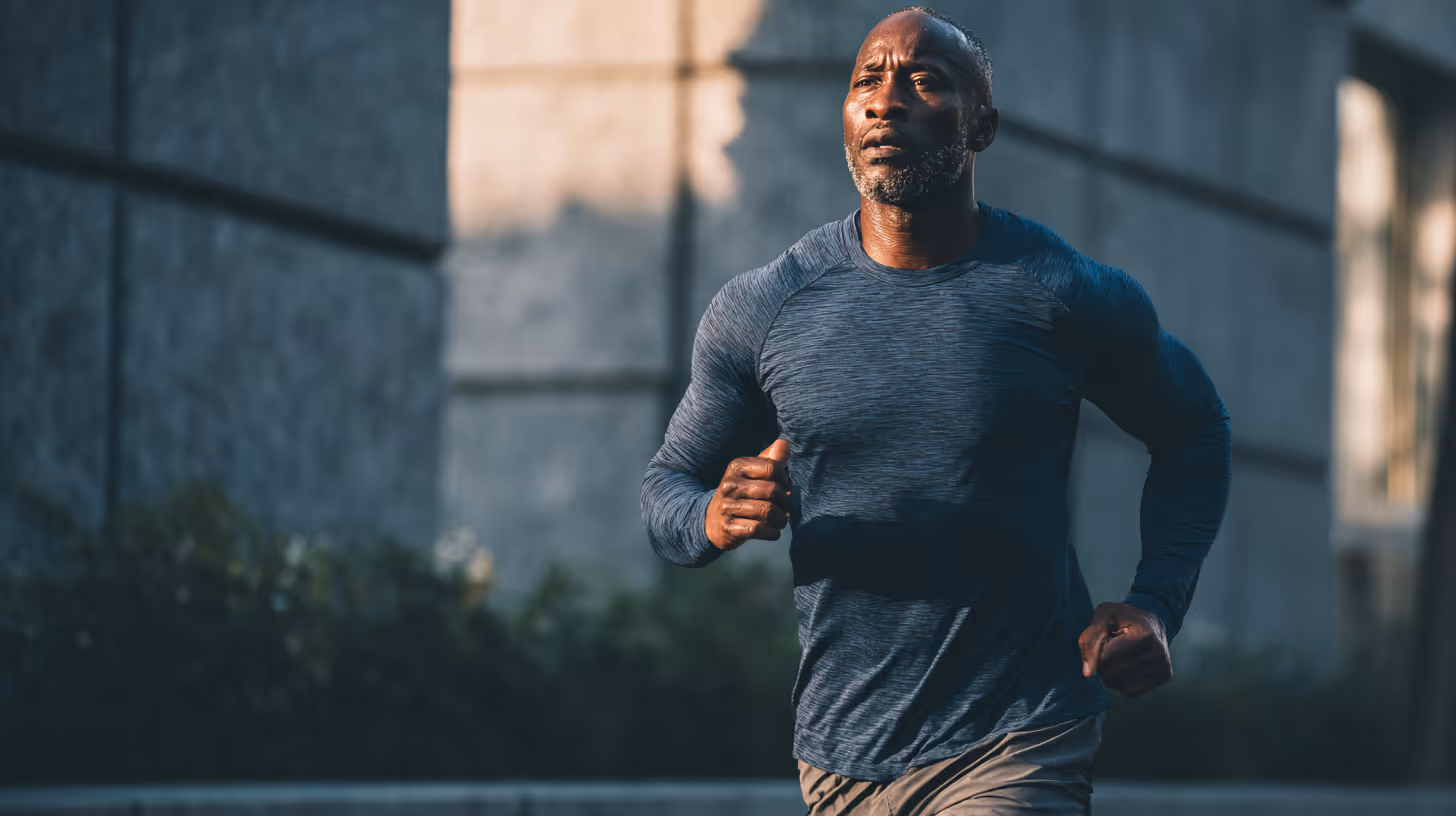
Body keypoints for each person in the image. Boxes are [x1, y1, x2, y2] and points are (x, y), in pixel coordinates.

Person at [640, 6, 1232, 814]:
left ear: (981, 124)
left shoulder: (1058, 291)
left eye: (925, 81)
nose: (888, 101)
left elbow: (1195, 428)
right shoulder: (768, 305)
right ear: (846, 120)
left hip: (1020, 731)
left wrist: (1156, 602)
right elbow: (668, 487)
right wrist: (714, 515)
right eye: (867, 83)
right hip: (841, 750)